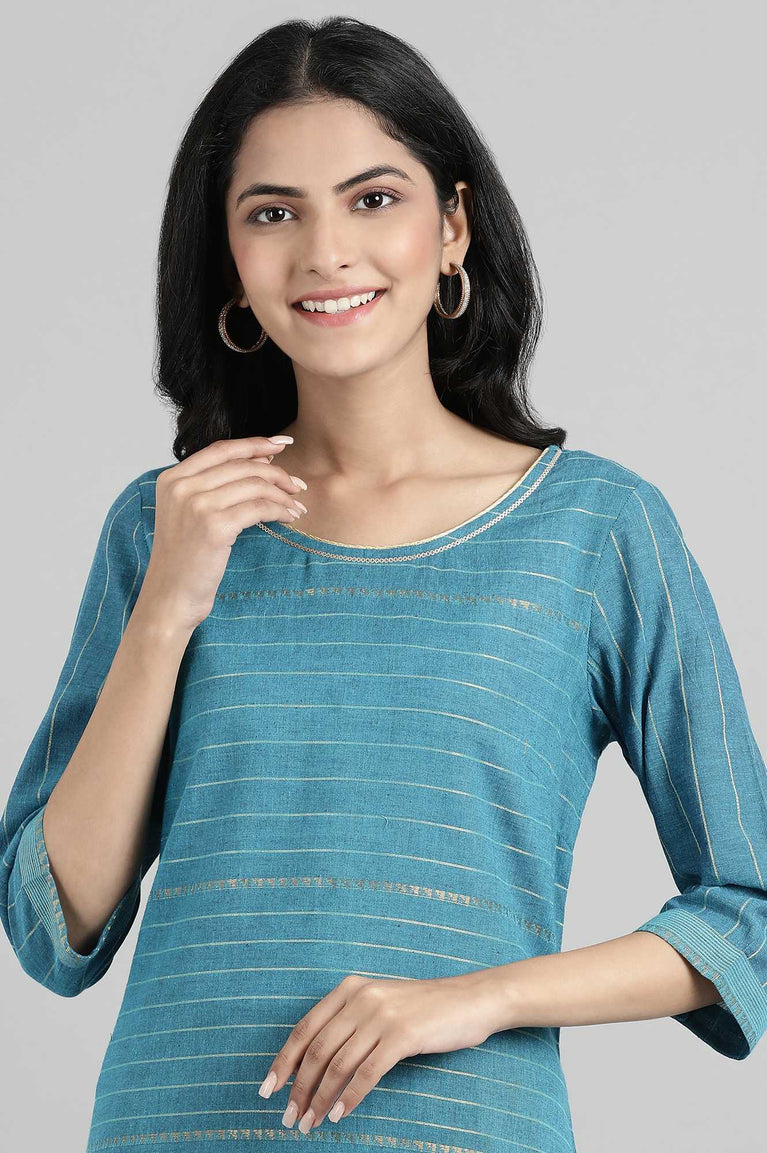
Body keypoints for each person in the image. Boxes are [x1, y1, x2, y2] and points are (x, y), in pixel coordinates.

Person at [2, 16, 766, 1153]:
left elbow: (748, 915)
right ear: (227, 256)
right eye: (273, 213)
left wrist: (479, 996)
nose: (325, 251)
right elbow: (51, 922)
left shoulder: (597, 530)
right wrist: (166, 606)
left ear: (451, 226)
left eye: (372, 199)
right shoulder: (166, 525)